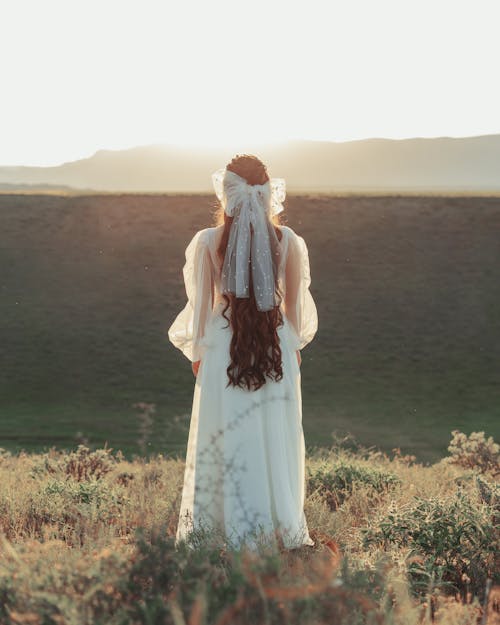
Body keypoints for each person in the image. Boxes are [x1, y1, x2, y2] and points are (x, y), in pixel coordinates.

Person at [168, 154, 318, 552]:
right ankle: (277, 531)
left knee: (224, 435)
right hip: (276, 345)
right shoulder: (289, 242)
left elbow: (200, 310)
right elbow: (296, 313)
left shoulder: (207, 241)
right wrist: (291, 348)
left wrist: (199, 353)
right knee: (274, 437)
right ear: (269, 194)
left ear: (226, 194)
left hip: (222, 346)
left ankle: (221, 532)